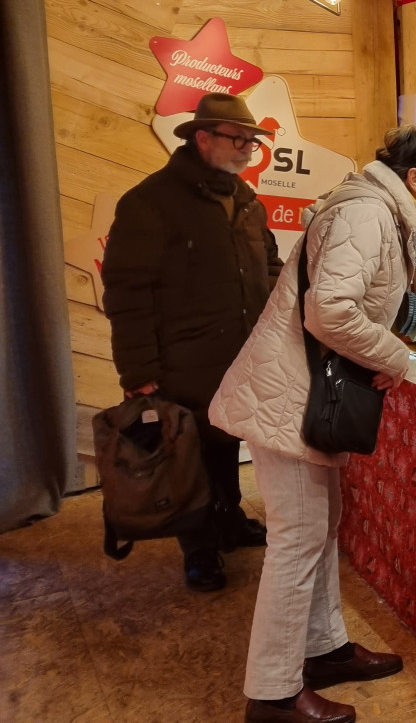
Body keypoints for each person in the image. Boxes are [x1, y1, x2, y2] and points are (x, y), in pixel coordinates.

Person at [210, 126, 416, 723]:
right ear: (415, 178)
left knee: (320, 528)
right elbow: (329, 311)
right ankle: (271, 694)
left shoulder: (376, 210)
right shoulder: (369, 216)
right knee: (297, 541)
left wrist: (381, 346)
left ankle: (323, 650)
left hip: (299, 392)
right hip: (289, 399)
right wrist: (394, 356)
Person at [103, 92, 280, 592]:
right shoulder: (149, 202)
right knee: (188, 455)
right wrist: (137, 372)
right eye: (238, 138)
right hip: (181, 360)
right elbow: (127, 292)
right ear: (202, 138)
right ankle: (199, 549)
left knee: (224, 443)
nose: (248, 148)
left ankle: (228, 521)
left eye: (252, 139)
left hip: (238, 355)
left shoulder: (245, 201)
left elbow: (267, 267)